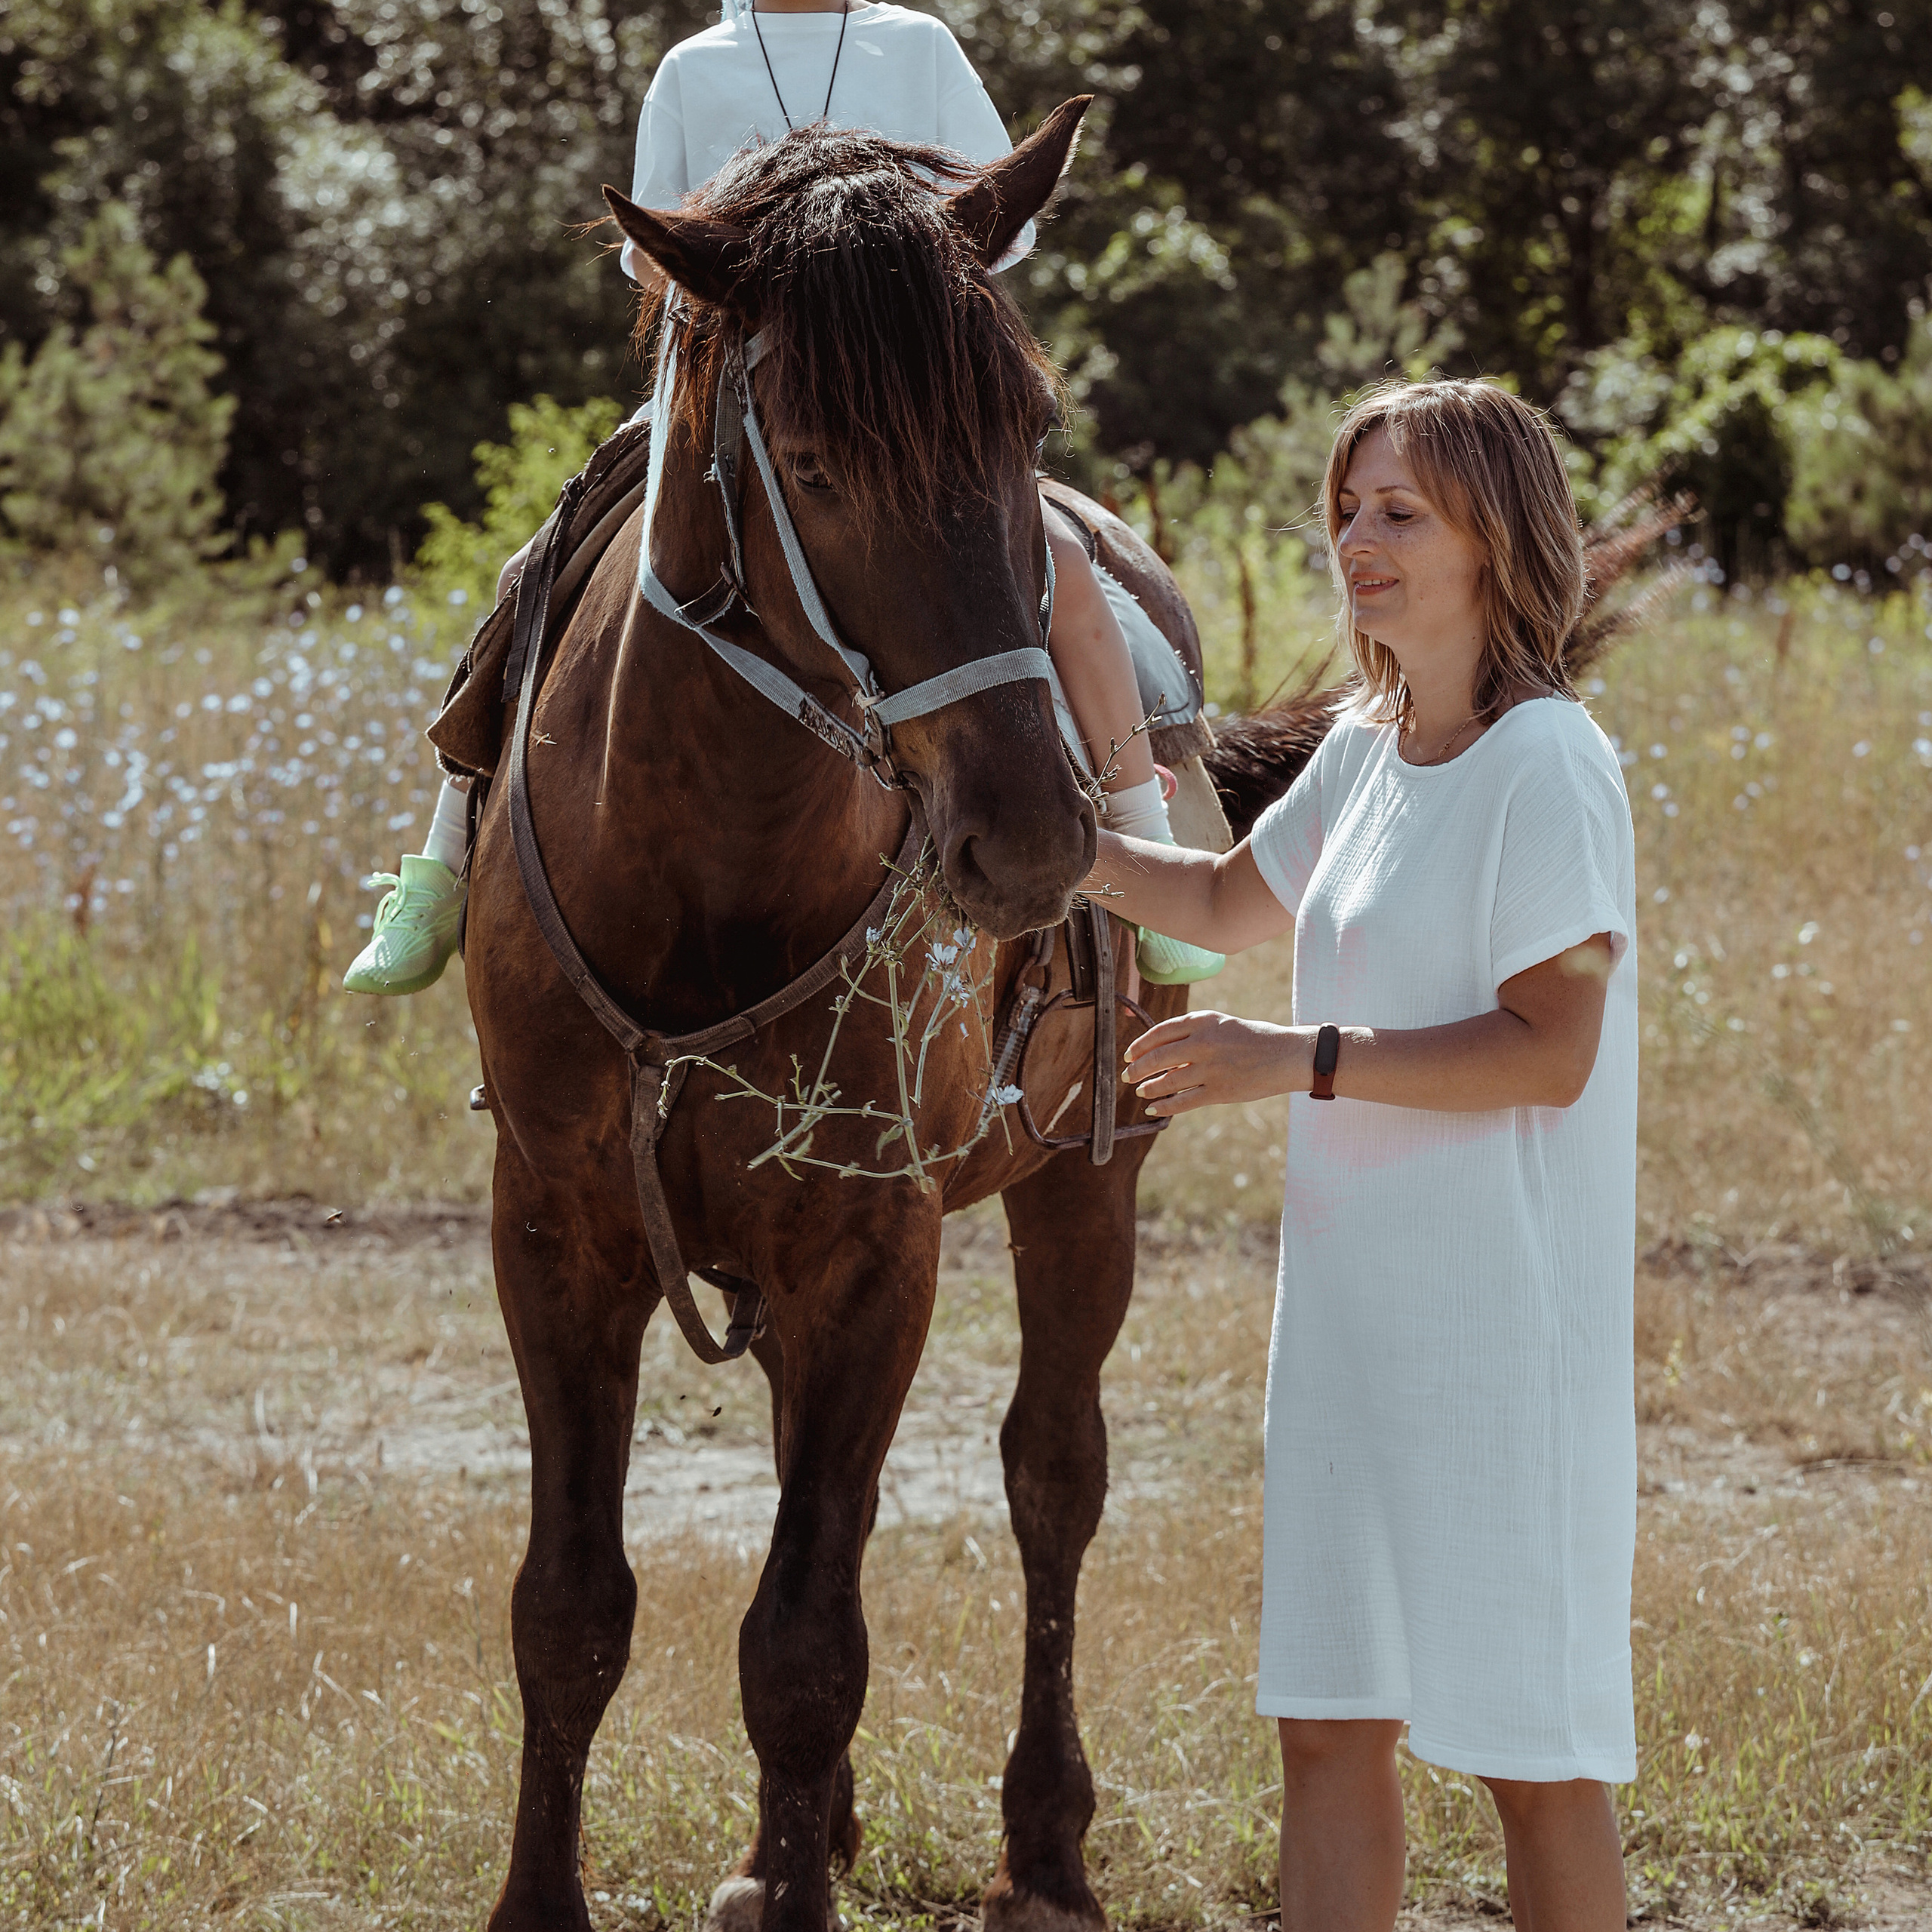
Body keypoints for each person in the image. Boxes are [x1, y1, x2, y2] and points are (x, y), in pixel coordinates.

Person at [343, 0, 1222, 999]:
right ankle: (446, 859)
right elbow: (647, 254)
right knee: (532, 568)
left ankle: (1145, 842)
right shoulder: (693, 66)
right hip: (736, 401)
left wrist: (886, 270)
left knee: (1064, 564)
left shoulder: (918, 44)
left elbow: (996, 237)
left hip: (909, 399)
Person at [1087, 378, 1638, 1932]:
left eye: (1397, 510)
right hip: (1342, 1329)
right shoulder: (1362, 747)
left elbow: (1550, 1045)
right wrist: (1035, 838)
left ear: (1493, 535)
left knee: (1531, 1756)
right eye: (1345, 508)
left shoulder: (1550, 766)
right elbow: (1212, 905)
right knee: (1326, 1721)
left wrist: (1285, 1061)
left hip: (1497, 1340)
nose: (1355, 539)